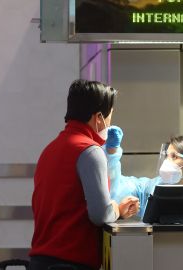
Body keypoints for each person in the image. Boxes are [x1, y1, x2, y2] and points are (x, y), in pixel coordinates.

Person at [29, 80, 140, 270]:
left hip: (41, 261)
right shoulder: (89, 151)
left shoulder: (51, 149)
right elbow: (100, 214)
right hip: (70, 263)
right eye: (110, 115)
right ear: (98, 117)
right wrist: (117, 208)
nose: (110, 122)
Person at [105, 126, 183, 223]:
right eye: (167, 155)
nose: (167, 161)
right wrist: (112, 156)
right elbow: (118, 186)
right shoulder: (152, 188)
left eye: (174, 156)